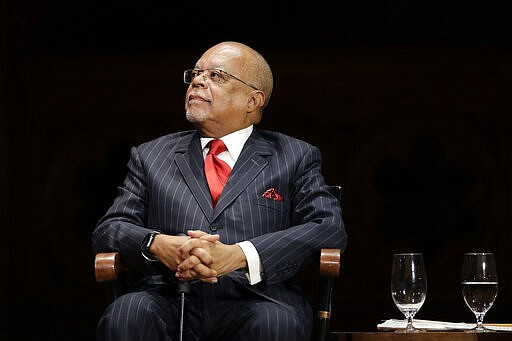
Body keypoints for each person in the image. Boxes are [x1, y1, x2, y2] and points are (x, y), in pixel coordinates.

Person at [92, 41, 347, 341]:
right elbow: (109, 229)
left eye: (216, 76)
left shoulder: (294, 155)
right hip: (168, 295)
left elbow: (328, 228)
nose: (198, 81)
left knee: (277, 324)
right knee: (127, 315)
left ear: (253, 100)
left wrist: (239, 255)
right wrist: (158, 244)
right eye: (196, 74)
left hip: (259, 298)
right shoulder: (151, 155)